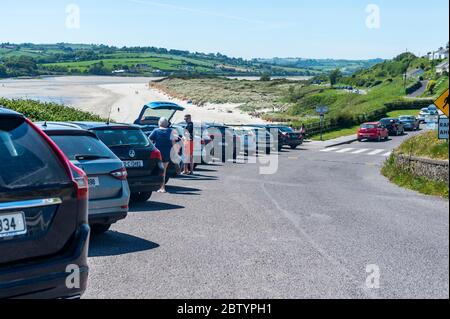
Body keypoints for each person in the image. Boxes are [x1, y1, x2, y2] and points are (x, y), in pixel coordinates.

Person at [149, 117, 177, 193]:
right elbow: (173, 143)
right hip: (167, 153)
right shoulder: (171, 131)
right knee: (163, 170)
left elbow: (149, 140)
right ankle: (162, 187)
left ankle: (160, 187)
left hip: (157, 153)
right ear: (167, 124)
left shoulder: (156, 131)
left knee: (157, 170)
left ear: (159, 123)